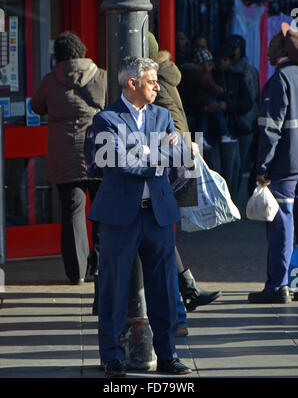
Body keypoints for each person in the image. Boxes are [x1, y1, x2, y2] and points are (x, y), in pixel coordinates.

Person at [88, 56, 193, 376]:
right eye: (151, 82)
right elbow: (114, 161)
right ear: (131, 84)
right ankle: (112, 356)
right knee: (114, 288)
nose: (157, 86)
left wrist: (161, 152)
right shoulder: (105, 119)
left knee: (164, 289)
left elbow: (181, 159)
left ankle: (168, 354)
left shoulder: (162, 115)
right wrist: (157, 156)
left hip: (158, 214)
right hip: (120, 217)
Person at [149, 33, 221, 322]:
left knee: (159, 229)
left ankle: (182, 296)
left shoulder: (153, 83)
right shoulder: (169, 76)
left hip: (167, 160)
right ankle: (186, 290)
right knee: (161, 229)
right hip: (180, 156)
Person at [31, 31, 107, 285]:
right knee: (102, 210)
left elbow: (36, 107)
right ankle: (101, 265)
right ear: (82, 50)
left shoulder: (50, 81)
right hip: (97, 153)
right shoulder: (101, 77)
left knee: (72, 211)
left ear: (59, 56)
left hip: (64, 156)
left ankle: (76, 272)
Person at [248, 25, 298, 304]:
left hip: (284, 168)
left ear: (280, 50)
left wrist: (262, 167)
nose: (265, 51)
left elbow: (270, 129)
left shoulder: (279, 80)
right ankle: (293, 281)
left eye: (270, 46)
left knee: (282, 226)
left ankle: (278, 286)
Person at [207, 45, 253, 199]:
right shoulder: (209, 76)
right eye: (218, 59)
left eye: (225, 59)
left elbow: (247, 103)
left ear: (231, 61)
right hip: (212, 131)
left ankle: (230, 200)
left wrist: (228, 105)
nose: (221, 63)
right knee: (215, 168)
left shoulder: (238, 79)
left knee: (235, 167)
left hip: (233, 129)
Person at [225, 34, 260, 180]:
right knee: (228, 166)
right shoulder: (222, 66)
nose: (233, 51)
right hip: (228, 123)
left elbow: (252, 99)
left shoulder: (249, 71)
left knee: (240, 164)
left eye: (236, 48)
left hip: (245, 122)